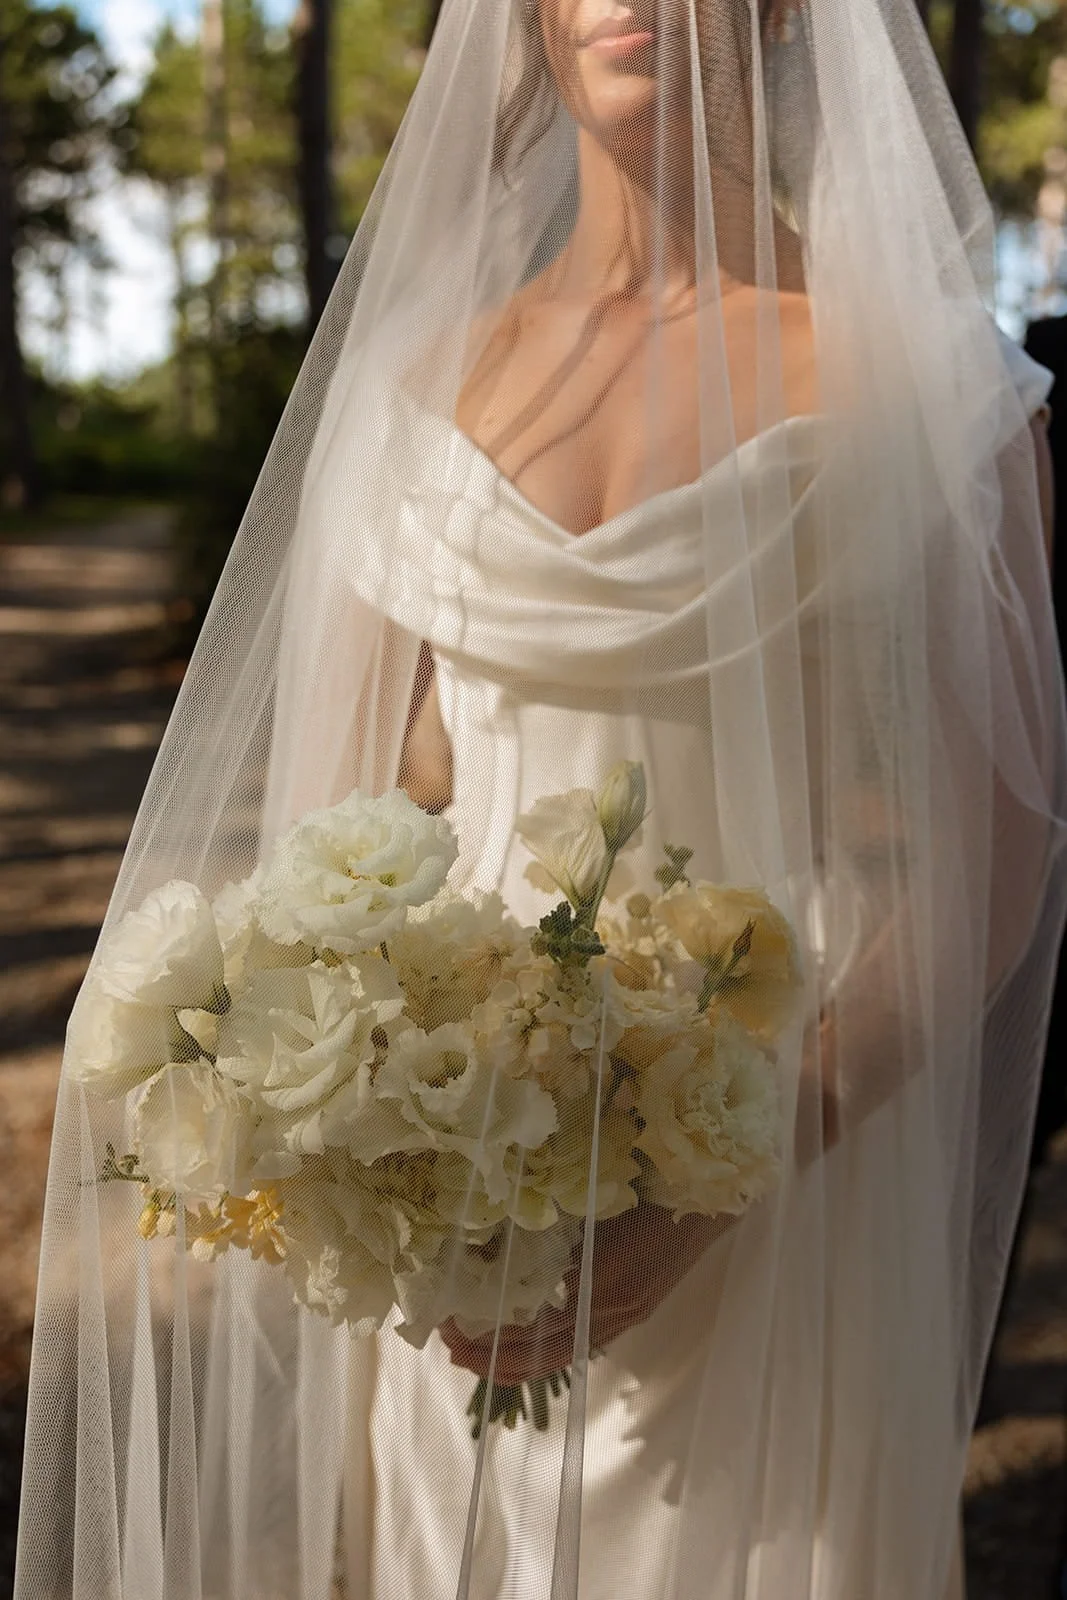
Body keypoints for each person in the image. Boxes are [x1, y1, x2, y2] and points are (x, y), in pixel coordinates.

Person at [14, 3, 1067, 1599]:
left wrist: (723, 1175)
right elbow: (348, 816)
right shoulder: (417, 380)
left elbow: (995, 847)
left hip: (784, 1169)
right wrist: (359, 1123)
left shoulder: (926, 383)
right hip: (456, 1170)